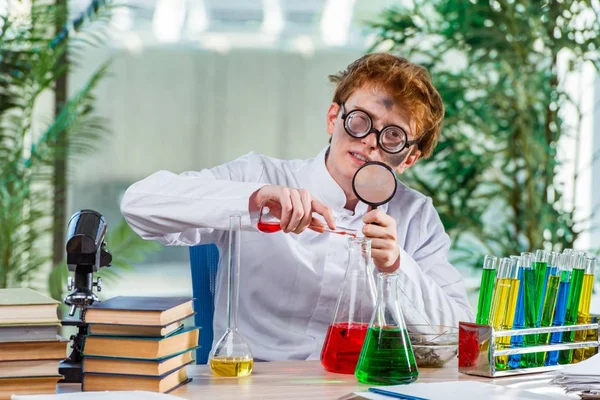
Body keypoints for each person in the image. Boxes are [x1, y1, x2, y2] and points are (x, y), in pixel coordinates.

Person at [120, 53, 474, 362]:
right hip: (253, 382)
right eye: (359, 121)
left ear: (409, 158)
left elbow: (457, 342)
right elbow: (139, 205)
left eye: (392, 136)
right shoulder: (260, 174)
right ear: (333, 118)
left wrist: (397, 267)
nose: (369, 142)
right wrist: (252, 200)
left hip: (358, 385)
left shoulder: (416, 216)